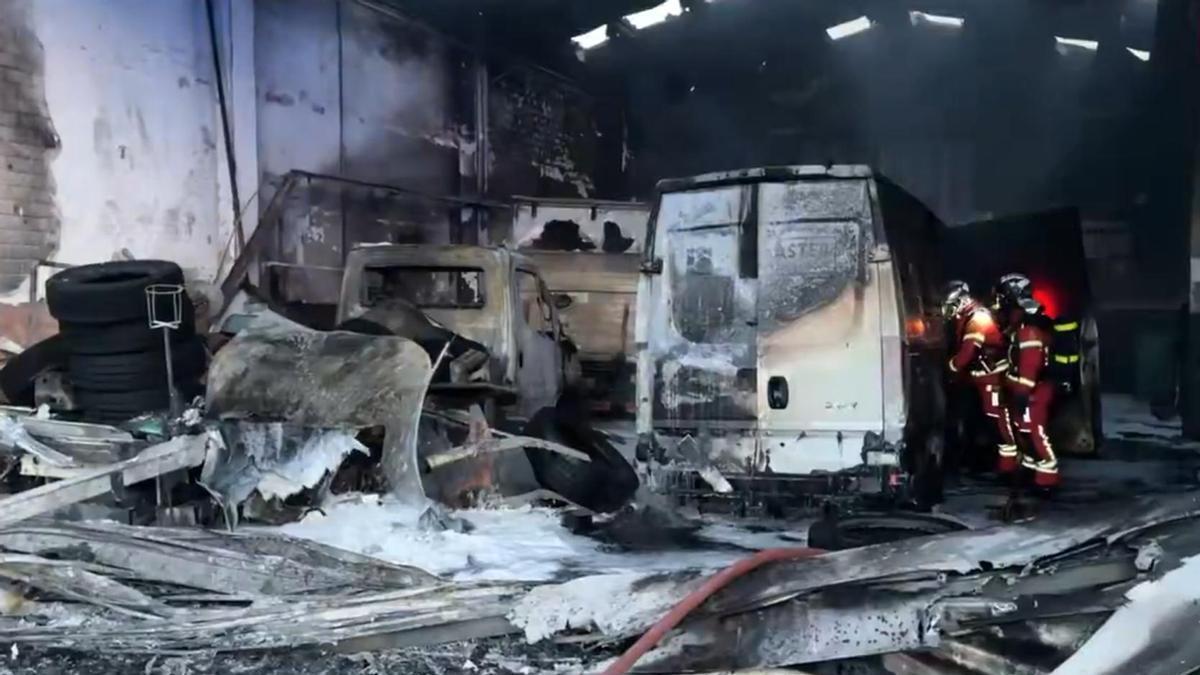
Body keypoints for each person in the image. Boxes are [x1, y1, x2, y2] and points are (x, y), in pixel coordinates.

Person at [942, 281, 1018, 473]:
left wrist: (950, 367)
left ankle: (1009, 467)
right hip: (980, 378)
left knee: (997, 420)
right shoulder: (968, 316)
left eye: (950, 306)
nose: (948, 311)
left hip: (991, 378)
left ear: (961, 301)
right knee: (983, 419)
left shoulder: (977, 319)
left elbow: (967, 353)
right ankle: (988, 461)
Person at [995, 273, 1060, 488]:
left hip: (1034, 391)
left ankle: (1047, 479)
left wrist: (1023, 392)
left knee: (1034, 431)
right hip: (1025, 389)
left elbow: (1030, 364)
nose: (1000, 301)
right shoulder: (1021, 323)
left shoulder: (1029, 327)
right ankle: (1031, 473)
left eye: (1003, 295)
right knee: (1024, 431)